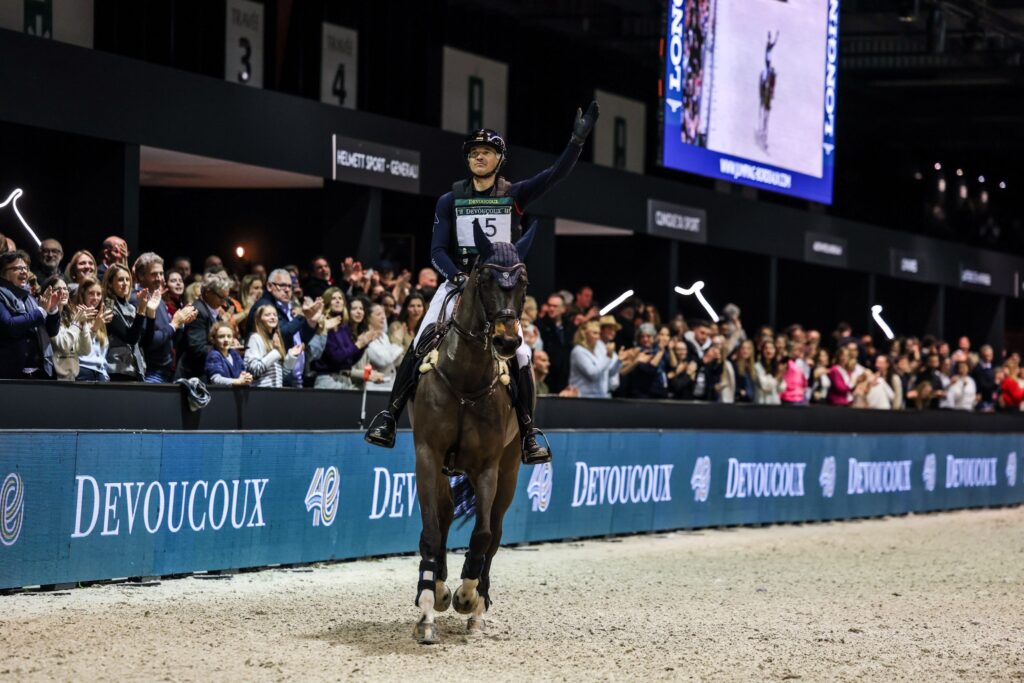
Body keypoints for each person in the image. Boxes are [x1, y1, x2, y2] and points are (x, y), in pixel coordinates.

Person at [365, 101, 600, 464]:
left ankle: (527, 432)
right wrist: (459, 277)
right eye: (474, 153)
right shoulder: (450, 199)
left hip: (500, 289)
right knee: (422, 337)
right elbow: (436, 251)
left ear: (498, 159)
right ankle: (389, 417)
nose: (479, 157)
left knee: (521, 353)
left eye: (486, 152)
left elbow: (555, 174)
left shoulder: (515, 195)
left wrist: (576, 142)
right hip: (457, 281)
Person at [247, 268, 320, 387]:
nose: (287, 290)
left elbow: (300, 339)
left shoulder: (287, 306)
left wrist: (311, 321)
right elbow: (282, 333)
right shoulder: (265, 306)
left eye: (290, 286)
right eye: (282, 285)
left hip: (291, 376)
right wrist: (302, 315)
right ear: (270, 286)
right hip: (269, 380)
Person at [0, 250, 60, 379]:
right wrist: (41, 312)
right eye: (17, 268)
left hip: (37, 370)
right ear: (3, 273)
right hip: (10, 372)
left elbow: (52, 331)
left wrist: (52, 310)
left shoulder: (29, 298)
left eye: (25, 268)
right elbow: (9, 325)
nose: (24, 272)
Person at [177, 272, 232, 379]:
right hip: (194, 377)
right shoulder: (198, 312)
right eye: (221, 297)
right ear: (207, 292)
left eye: (226, 298)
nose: (224, 303)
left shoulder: (212, 310)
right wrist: (225, 348)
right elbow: (198, 348)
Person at [103, 263, 153, 381]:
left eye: (127, 279)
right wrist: (141, 310)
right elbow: (130, 338)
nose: (125, 283)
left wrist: (151, 314)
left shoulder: (131, 308)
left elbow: (144, 343)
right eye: (120, 280)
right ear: (110, 283)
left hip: (135, 370)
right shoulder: (107, 306)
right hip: (116, 371)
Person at [44, 275, 94, 381]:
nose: (63, 292)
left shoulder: (69, 317)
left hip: (71, 377)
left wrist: (82, 323)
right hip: (54, 378)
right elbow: (63, 345)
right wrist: (76, 323)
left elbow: (85, 350)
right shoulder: (47, 317)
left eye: (65, 288)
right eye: (58, 289)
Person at [245, 304, 302, 388]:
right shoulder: (255, 338)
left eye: (275, 315)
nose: (273, 317)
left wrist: (291, 356)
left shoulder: (274, 339)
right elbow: (254, 370)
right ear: (259, 319)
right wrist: (275, 351)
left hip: (275, 394)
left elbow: (282, 374)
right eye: (268, 315)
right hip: (261, 394)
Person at [69, 277, 110, 382]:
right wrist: (94, 328)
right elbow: (77, 347)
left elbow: (102, 353)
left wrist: (105, 375)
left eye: (99, 294)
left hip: (100, 374)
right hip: (82, 371)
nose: (95, 298)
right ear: (82, 294)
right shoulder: (75, 315)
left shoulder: (99, 318)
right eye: (91, 293)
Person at [568, 320, 620, 398]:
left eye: (598, 333)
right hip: (583, 398)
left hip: (600, 396)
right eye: (594, 333)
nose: (598, 337)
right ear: (585, 334)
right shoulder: (578, 351)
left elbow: (608, 373)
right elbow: (593, 374)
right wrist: (608, 356)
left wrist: (619, 361)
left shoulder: (596, 352)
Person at [361, 302, 405, 392]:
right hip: (374, 388)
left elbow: (394, 361)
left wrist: (395, 352)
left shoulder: (384, 336)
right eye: (378, 314)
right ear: (368, 318)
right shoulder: (366, 337)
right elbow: (383, 360)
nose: (383, 317)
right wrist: (397, 342)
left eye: (383, 314)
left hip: (389, 386)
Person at [538, 292, 576, 393]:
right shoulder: (540, 325)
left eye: (555, 306)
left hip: (565, 378)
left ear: (563, 309)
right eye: (549, 305)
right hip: (546, 377)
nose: (551, 309)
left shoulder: (570, 327)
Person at [205, 322, 253, 386]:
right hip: (221, 394)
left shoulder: (234, 354)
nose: (226, 340)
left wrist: (246, 377)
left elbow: (242, 373)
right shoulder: (214, 355)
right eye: (221, 336)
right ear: (213, 339)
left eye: (229, 336)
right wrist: (238, 381)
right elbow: (215, 379)